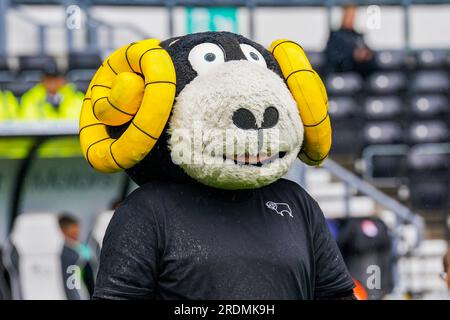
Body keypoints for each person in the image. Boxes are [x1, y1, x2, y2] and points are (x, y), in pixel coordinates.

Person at [325, 4, 377, 77]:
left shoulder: (358, 36)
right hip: (340, 74)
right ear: (343, 16)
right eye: (349, 16)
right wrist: (353, 56)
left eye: (353, 16)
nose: (351, 19)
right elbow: (333, 58)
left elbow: (371, 56)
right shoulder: (335, 36)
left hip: (357, 76)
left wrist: (366, 55)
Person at [19, 63, 83, 120]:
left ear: (62, 80)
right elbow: (28, 122)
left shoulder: (77, 97)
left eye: (55, 78)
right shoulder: (30, 98)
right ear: (42, 81)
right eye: (48, 79)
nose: (52, 83)